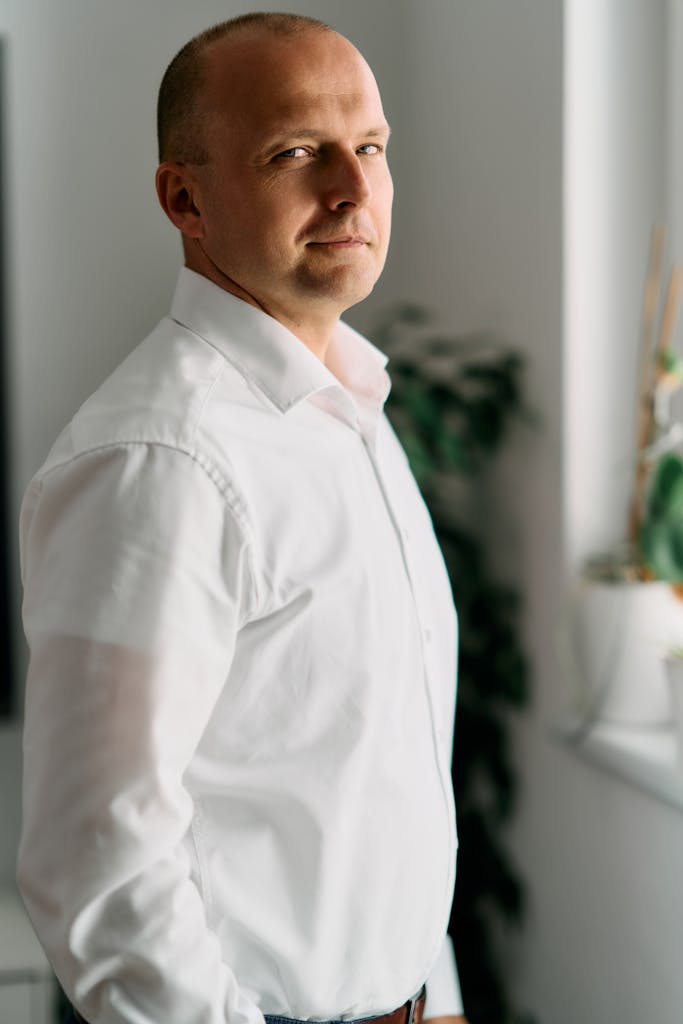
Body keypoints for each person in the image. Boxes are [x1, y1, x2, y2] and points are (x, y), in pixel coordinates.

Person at [18, 13, 468, 1024]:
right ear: (185, 197)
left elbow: (372, 776)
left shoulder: (346, 404)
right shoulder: (159, 458)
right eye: (296, 152)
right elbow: (98, 864)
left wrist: (428, 990)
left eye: (370, 147)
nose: (350, 187)